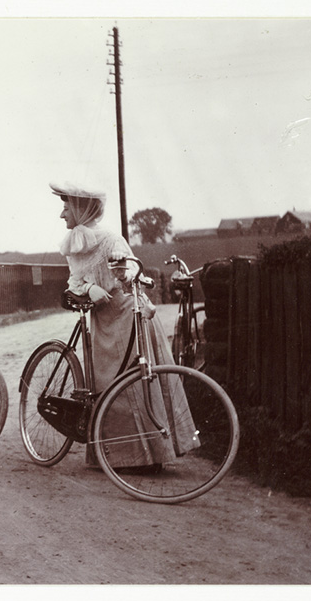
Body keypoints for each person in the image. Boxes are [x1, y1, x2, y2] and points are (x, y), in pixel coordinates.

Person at [52, 182, 200, 468]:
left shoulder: (109, 239)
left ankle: (151, 455)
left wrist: (126, 275)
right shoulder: (74, 243)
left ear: (82, 210)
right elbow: (74, 283)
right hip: (102, 321)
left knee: (137, 380)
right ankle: (117, 457)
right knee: (106, 386)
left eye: (66, 208)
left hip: (128, 315)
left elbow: (130, 268)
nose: (62, 215)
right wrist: (87, 290)